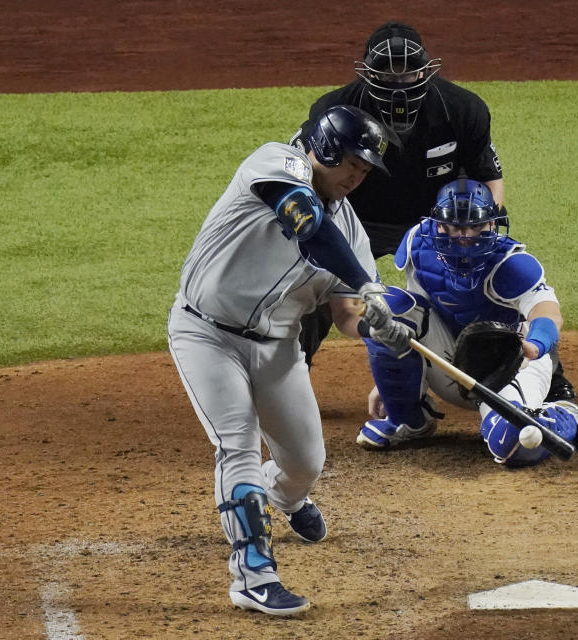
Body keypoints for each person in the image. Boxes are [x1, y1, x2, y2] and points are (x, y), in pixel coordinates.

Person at [166, 105, 412, 616]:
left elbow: (347, 313)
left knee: (305, 462)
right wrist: (369, 284)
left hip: (277, 348)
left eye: (365, 171)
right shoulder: (275, 165)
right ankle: (253, 576)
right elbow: (307, 225)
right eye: (351, 163)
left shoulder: (351, 231)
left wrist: (376, 325)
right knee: (236, 445)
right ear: (322, 148)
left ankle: (285, 495)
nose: (356, 177)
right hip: (206, 334)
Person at [290, 20, 577, 401]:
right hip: (354, 217)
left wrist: (475, 233)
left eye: (407, 70)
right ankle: (292, 374)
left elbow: (489, 179)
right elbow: (309, 172)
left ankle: (544, 373)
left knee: (491, 284)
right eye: (388, 72)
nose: (398, 82)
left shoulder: (462, 109)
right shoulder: (335, 110)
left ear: (426, 70)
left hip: (436, 222)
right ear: (368, 73)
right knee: (315, 284)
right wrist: (324, 231)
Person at [357, 178, 578, 466]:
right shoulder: (418, 243)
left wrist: (533, 346)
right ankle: (408, 421)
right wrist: (394, 377)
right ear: (438, 224)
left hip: (508, 366)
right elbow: (417, 309)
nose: (464, 237)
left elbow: (548, 312)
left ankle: (563, 417)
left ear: (492, 225)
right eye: (455, 227)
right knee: (385, 309)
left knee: (510, 442)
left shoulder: (511, 264)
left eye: (475, 227)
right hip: (450, 363)